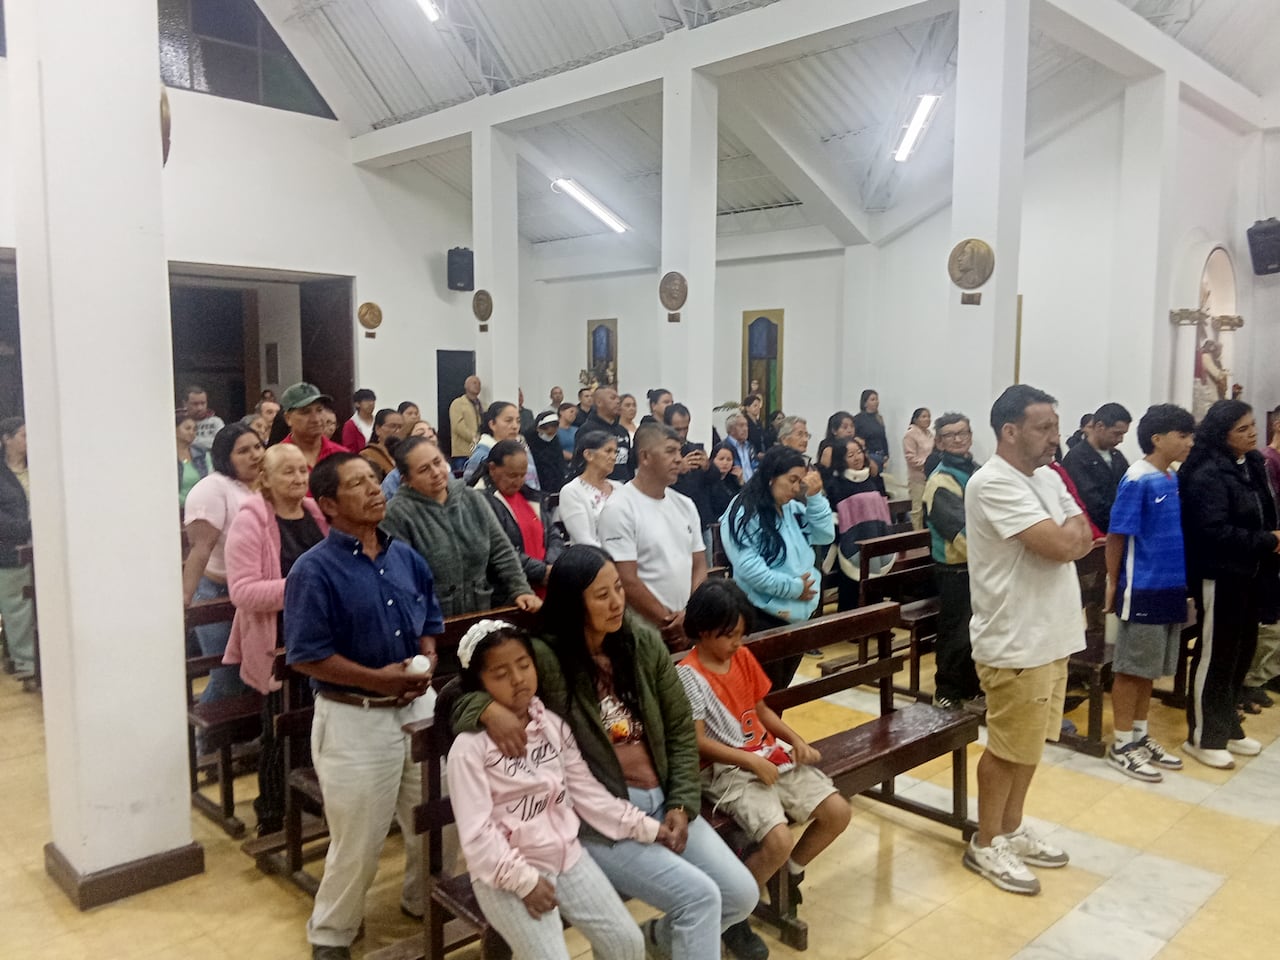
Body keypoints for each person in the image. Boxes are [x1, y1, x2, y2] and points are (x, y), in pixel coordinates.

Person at [449, 546, 760, 960]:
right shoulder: (548, 656)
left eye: (619, 588)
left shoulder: (642, 644)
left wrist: (682, 803)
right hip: (600, 817)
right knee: (700, 899)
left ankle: (662, 939)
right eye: (601, 595)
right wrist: (485, 709)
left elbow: (681, 729)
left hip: (662, 802)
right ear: (574, 601)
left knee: (740, 895)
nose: (617, 602)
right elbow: (467, 687)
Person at [284, 453, 445, 960]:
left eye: (375, 480)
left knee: (441, 817)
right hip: (355, 716)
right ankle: (331, 934)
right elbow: (308, 656)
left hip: (417, 706)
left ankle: (424, 900)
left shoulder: (405, 556)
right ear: (328, 505)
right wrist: (378, 680)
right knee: (358, 839)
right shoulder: (314, 570)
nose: (375, 490)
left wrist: (427, 657)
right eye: (358, 484)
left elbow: (430, 619)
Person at [448, 619, 666, 960]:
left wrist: (647, 827)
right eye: (500, 674)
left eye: (523, 665)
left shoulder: (551, 725)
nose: (518, 679)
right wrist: (525, 882)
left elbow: (586, 793)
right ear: (479, 684)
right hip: (506, 871)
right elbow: (477, 836)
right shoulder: (470, 748)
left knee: (627, 944)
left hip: (567, 855)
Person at [962, 385, 1088, 896]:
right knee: (1007, 747)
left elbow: (1084, 532)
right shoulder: (992, 483)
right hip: (1014, 637)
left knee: (1031, 744)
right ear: (1009, 431)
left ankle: (1011, 828)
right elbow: (1063, 544)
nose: (1054, 438)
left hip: (1051, 633)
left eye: (1055, 427)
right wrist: (1070, 534)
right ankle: (986, 841)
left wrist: (1071, 532)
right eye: (1043, 427)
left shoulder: (1047, 476)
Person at [678, 579, 851, 947]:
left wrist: (796, 739)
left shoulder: (739, 657)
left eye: (741, 634)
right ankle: (732, 916)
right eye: (731, 636)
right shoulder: (689, 675)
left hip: (766, 755)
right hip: (726, 771)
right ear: (705, 632)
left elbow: (759, 709)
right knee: (778, 839)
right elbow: (697, 741)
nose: (738, 643)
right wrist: (748, 761)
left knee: (838, 812)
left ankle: (788, 873)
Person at [223, 444, 328, 835]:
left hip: (318, 636)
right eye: (288, 472)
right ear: (264, 478)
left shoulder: (316, 513)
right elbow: (244, 592)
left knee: (316, 723)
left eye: (303, 470)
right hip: (275, 641)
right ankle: (271, 812)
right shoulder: (250, 520)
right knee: (278, 729)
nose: (299, 478)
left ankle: (308, 800)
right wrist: (307, 587)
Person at [1178, 399, 1280, 769]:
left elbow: (1264, 511)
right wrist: (1269, 540)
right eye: (1243, 429)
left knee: (1241, 651)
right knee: (1215, 654)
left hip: (1251, 572)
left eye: (1253, 425)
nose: (1253, 433)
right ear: (1222, 435)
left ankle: (1228, 725)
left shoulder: (1252, 463)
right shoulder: (1207, 472)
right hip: (1218, 573)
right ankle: (1202, 735)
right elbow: (1211, 531)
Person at [1102, 404, 1195, 782]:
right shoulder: (1136, 479)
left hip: (1169, 587)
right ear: (1158, 439)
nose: (1190, 442)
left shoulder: (1170, 477)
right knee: (1131, 669)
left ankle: (1140, 736)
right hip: (1140, 588)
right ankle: (1121, 744)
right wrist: (1112, 583)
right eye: (1183, 435)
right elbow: (1117, 535)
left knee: (1151, 670)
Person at [381, 436, 541, 616]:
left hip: (481, 610)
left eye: (437, 462)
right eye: (424, 469)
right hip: (432, 619)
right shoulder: (396, 514)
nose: (435, 472)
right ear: (406, 480)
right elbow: (402, 579)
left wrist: (521, 589)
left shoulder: (472, 498)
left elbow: (502, 550)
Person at [721, 446, 834, 693]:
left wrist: (815, 498)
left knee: (780, 693)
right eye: (792, 480)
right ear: (771, 476)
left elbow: (825, 535)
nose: (796, 489)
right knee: (761, 695)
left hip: (797, 617)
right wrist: (795, 589)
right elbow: (750, 568)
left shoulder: (792, 508)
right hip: (762, 616)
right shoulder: (743, 511)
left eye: (800, 481)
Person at [599, 423, 707, 646]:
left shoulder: (685, 504)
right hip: (644, 632)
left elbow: (699, 566)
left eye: (679, 451)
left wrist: (690, 616)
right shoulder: (620, 507)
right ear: (645, 456)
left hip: (687, 625)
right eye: (670, 451)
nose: (679, 458)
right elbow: (626, 579)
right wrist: (669, 623)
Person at [182, 423, 265, 707]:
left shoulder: (267, 483)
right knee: (227, 677)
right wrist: (186, 599)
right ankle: (206, 746)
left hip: (256, 595)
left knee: (254, 676)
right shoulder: (213, 488)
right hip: (218, 593)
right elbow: (200, 549)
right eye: (243, 451)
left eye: (257, 447)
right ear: (224, 457)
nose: (254, 455)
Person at [921, 414, 982, 711]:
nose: (958, 439)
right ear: (940, 441)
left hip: (981, 566)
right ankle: (946, 690)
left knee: (977, 631)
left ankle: (972, 687)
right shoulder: (940, 481)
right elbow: (960, 531)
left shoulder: (977, 470)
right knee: (956, 632)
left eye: (963, 433)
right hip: (955, 567)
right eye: (950, 435)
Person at [481, 440, 566, 592]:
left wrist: (550, 566)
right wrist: (540, 571)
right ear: (492, 468)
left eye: (523, 475)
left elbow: (553, 535)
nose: (519, 481)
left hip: (546, 581)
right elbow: (498, 550)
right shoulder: (480, 501)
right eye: (512, 475)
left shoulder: (531, 497)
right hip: (511, 590)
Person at [1243, 415, 1280, 704]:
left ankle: (1264, 675)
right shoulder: (1267, 460)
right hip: (1267, 547)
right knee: (1267, 621)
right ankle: (1251, 678)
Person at [1060, 402, 1132, 532]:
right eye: (1117, 434)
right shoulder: (1076, 458)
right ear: (1100, 426)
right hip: (1093, 532)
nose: (1121, 440)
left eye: (1123, 434)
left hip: (1120, 526)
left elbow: (1129, 488)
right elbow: (1092, 503)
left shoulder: (1117, 456)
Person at [0, 418, 35, 678]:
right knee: (18, 606)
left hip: (45, 547)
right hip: (11, 548)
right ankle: (25, 662)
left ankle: (47, 658)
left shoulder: (39, 467)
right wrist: (30, 529)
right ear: (6, 439)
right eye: (22, 435)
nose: (27, 440)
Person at [558, 431, 621, 547]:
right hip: (594, 559)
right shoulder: (572, 491)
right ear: (588, 455)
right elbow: (583, 539)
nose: (614, 457)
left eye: (615, 452)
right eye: (608, 451)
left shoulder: (619, 488)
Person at [463, 401, 539, 489]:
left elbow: (535, 484)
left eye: (518, 421)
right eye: (508, 421)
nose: (515, 426)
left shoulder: (523, 450)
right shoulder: (481, 456)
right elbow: (468, 493)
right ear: (492, 424)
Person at [279, 382, 348, 470]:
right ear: (288, 418)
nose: (316, 419)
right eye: (306, 412)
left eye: (319, 410)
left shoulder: (341, 456)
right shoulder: (277, 459)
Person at [583, 386, 633, 483]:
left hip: (624, 487)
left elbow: (629, 464)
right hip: (599, 487)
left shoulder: (622, 430)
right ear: (599, 402)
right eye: (613, 398)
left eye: (618, 398)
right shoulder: (587, 430)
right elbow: (581, 464)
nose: (618, 401)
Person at [379, 420, 439, 500]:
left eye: (431, 431)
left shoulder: (444, 468)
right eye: (421, 433)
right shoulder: (394, 477)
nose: (429, 434)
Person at [903, 408, 934, 529]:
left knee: (930, 508)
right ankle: (917, 536)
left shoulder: (930, 433)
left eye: (929, 416)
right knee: (917, 509)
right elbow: (910, 458)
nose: (927, 419)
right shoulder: (910, 434)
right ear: (916, 419)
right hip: (918, 478)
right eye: (924, 416)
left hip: (931, 476)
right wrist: (926, 464)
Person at [524, 410, 567, 493]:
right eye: (549, 433)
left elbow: (560, 464)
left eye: (553, 433)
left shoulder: (555, 441)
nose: (551, 436)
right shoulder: (528, 441)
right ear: (539, 429)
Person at [449, 374, 484, 470]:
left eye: (479, 384)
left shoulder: (484, 405)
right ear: (466, 386)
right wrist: (476, 439)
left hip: (480, 452)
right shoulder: (458, 403)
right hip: (463, 453)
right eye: (474, 383)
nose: (477, 385)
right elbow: (458, 426)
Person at [358, 408, 404, 481]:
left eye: (400, 427)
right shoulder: (368, 454)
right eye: (392, 426)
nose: (397, 431)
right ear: (378, 429)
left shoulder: (407, 454)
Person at [176, 412, 209, 508]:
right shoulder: (165, 456)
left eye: (195, 429)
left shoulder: (202, 453)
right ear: (175, 429)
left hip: (201, 507)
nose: (192, 432)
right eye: (187, 428)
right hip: (175, 508)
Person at [185, 385, 225, 455]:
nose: (200, 408)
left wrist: (193, 442)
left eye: (203, 403)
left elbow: (222, 443)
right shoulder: (180, 424)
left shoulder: (216, 421)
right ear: (185, 403)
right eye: (195, 404)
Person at [852, 390, 889, 469]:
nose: (876, 402)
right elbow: (852, 437)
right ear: (865, 403)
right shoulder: (858, 419)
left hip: (880, 454)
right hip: (868, 455)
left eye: (877, 399)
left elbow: (883, 438)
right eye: (873, 399)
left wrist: (886, 455)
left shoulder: (879, 418)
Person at [340, 388, 377, 453]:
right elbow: (349, 450)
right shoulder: (351, 425)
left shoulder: (378, 421)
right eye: (366, 400)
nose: (371, 403)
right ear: (357, 404)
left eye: (373, 400)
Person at [724, 413, 757, 483]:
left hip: (753, 488)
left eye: (746, 425)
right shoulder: (724, 448)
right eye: (741, 425)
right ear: (731, 429)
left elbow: (756, 466)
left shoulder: (750, 446)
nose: (745, 429)